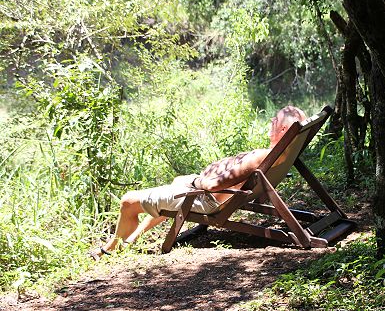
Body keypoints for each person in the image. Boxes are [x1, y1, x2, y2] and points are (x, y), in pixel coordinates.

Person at [90, 106, 307, 259]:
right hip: (209, 195)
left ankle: (112, 247)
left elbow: (213, 186)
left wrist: (195, 180)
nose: (271, 121)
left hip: (206, 200)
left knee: (128, 201)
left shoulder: (261, 156)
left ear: (284, 130)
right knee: (175, 183)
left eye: (275, 120)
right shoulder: (281, 154)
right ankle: (132, 238)